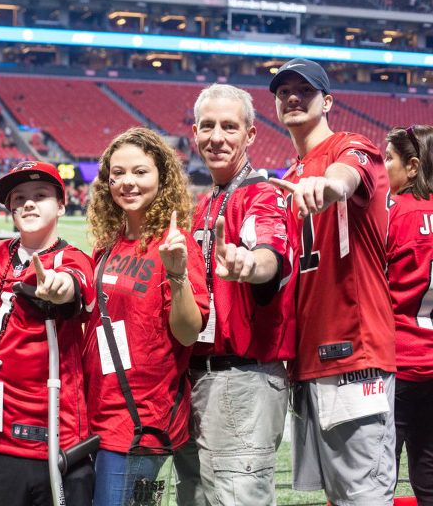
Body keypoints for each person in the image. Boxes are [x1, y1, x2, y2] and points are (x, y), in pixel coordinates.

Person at [268, 58, 396, 504]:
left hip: (353, 353)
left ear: (328, 102)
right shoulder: (288, 177)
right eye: (283, 91)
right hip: (309, 361)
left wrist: (328, 184)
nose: (292, 97)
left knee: (364, 495)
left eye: (304, 89)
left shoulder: (349, 146)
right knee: (340, 496)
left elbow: (346, 178)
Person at [173, 84, 298, 505]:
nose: (217, 137)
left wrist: (252, 265)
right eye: (208, 126)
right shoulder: (207, 201)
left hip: (242, 378)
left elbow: (269, 254)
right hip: (201, 377)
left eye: (230, 126)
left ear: (251, 135)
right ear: (194, 133)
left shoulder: (263, 194)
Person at [83, 127, 210, 506]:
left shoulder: (176, 245)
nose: (127, 182)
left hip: (141, 421)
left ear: (162, 177)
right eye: (117, 173)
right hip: (95, 414)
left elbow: (188, 334)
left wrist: (177, 274)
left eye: (140, 171)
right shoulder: (107, 246)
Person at [0, 161, 96, 506]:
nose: (28, 204)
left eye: (40, 195)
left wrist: (58, 287)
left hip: (53, 437)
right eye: (19, 198)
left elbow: (75, 284)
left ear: (62, 205)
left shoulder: (72, 258)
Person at [385, 124, 433, 504]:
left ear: (413, 166)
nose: (384, 167)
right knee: (429, 470)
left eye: (389, 159)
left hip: (398, 361)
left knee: (379, 475)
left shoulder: (393, 214)